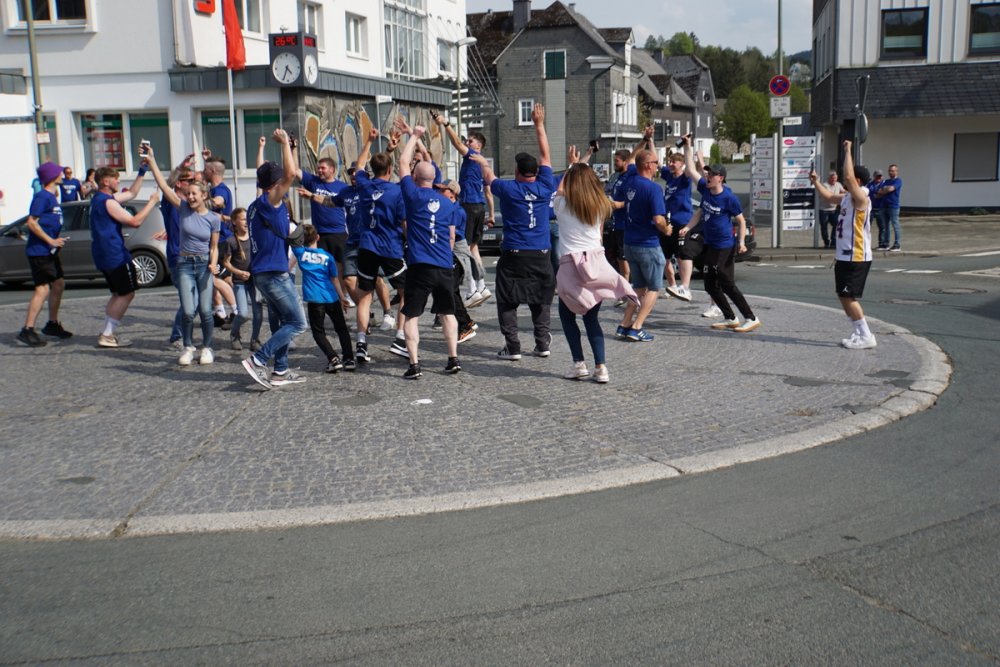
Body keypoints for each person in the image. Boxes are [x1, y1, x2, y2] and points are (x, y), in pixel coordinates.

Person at [469, 103, 555, 361]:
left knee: (507, 299)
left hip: (515, 253)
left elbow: (489, 176)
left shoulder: (508, 189)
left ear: (517, 172)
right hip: (541, 253)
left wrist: (481, 159)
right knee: (540, 299)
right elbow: (546, 155)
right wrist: (539, 125)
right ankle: (542, 343)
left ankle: (513, 346)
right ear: (536, 172)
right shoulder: (546, 186)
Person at [554, 149, 638, 383]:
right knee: (592, 319)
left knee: (567, 316)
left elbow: (560, 190)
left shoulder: (562, 204)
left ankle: (578, 364)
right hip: (595, 265)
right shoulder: (601, 206)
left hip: (571, 265)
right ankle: (601, 367)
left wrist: (572, 166)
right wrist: (578, 167)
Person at [241, 128, 308, 389]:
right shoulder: (271, 202)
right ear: (274, 185)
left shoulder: (256, 204)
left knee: (283, 322)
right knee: (298, 323)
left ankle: (280, 371)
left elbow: (274, 172)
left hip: (264, 272)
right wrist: (283, 144)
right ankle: (258, 360)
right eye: (281, 180)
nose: (286, 182)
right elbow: (290, 174)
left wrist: (288, 148)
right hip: (273, 274)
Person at [145, 145, 221, 365]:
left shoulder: (213, 219)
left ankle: (207, 348)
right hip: (184, 264)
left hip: (204, 265)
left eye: (194, 194)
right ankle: (188, 347)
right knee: (188, 311)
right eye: (188, 194)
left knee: (205, 311)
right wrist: (152, 160)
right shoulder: (182, 208)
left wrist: (214, 264)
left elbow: (214, 247)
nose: (190, 197)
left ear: (204, 195)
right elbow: (163, 185)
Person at [395, 126, 461, 378]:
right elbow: (452, 236)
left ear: (415, 177)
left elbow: (402, 162)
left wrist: (414, 136)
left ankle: (414, 365)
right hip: (444, 265)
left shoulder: (412, 195)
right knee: (448, 313)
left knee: (411, 315)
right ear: (434, 179)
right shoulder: (448, 203)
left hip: (420, 266)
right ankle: (453, 359)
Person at [810, 140, 877, 349]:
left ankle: (866, 336)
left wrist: (848, 150)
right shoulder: (847, 197)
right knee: (843, 295)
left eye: (851, 177)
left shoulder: (862, 199)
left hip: (856, 255)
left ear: (858, 180)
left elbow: (848, 176)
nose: (846, 178)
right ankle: (858, 332)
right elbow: (829, 196)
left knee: (849, 296)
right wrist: (816, 182)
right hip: (844, 255)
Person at [680, 163, 760, 333]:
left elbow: (741, 221)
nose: (708, 176)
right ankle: (730, 317)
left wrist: (741, 242)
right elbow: (699, 213)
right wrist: (687, 227)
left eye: (712, 174)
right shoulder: (706, 191)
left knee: (727, 284)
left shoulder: (729, 198)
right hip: (710, 245)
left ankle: (751, 318)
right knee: (709, 285)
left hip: (725, 246)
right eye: (707, 173)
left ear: (721, 178)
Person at [351, 128, 408, 363]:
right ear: (391, 170)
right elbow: (404, 222)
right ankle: (400, 337)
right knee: (406, 292)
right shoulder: (397, 191)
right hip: (390, 247)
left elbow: (359, 167)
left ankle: (361, 343)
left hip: (367, 247)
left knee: (364, 297)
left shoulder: (364, 186)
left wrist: (368, 141)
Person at [89, 165, 160, 347]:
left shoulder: (98, 199)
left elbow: (132, 193)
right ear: (106, 181)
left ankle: (107, 332)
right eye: (116, 178)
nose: (119, 181)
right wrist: (152, 202)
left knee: (118, 293)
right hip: (115, 254)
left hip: (103, 254)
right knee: (127, 293)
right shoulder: (109, 203)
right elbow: (134, 221)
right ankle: (107, 335)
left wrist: (141, 172)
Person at [434, 111, 493, 306]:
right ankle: (482, 285)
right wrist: (491, 213)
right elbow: (488, 192)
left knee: (463, 248)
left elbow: (457, 144)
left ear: (478, 146)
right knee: (474, 247)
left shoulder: (473, 156)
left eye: (471, 141)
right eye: (468, 140)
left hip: (468, 205)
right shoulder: (483, 164)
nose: (467, 143)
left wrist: (446, 124)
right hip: (479, 207)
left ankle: (472, 289)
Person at [616, 145, 671, 342]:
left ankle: (624, 324)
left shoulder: (630, 180)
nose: (658, 165)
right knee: (654, 288)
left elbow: (631, 160)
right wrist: (667, 229)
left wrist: (646, 140)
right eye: (656, 162)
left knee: (638, 286)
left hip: (629, 242)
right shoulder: (653, 188)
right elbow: (658, 219)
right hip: (648, 244)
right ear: (648, 165)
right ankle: (637, 327)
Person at [18, 161, 72, 347]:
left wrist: (56, 240)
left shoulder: (52, 196)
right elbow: (31, 222)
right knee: (42, 289)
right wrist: (50, 240)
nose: (62, 174)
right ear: (52, 176)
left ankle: (52, 324)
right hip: (39, 251)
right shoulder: (42, 197)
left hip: (49, 251)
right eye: (59, 172)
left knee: (58, 284)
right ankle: (27, 329)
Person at [292, 224, 356, 373]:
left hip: (314, 300)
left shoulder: (300, 253)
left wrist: (299, 232)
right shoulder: (328, 257)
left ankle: (333, 359)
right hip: (331, 297)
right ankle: (349, 359)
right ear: (318, 238)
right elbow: (334, 279)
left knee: (318, 333)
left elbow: (291, 239)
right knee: (341, 329)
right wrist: (342, 297)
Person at [293, 155, 351, 305]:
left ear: (332, 169)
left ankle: (343, 296)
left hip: (339, 233)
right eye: (318, 168)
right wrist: (293, 149)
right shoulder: (314, 182)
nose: (319, 170)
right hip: (319, 234)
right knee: (321, 266)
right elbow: (295, 171)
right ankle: (326, 296)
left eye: (322, 168)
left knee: (340, 267)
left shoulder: (342, 187)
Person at [657, 138, 696, 301]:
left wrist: (687, 146)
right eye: (670, 161)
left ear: (681, 164)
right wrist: (649, 140)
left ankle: (685, 287)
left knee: (682, 255)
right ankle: (672, 286)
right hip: (668, 222)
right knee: (664, 256)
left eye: (674, 162)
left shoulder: (685, 178)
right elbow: (657, 162)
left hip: (683, 222)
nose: (671, 164)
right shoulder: (669, 176)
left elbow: (690, 165)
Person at [222, 208, 260, 351]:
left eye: (247, 219)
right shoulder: (230, 241)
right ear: (234, 222)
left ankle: (255, 340)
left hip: (255, 281)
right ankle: (234, 334)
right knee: (243, 313)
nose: (246, 222)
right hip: (239, 282)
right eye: (243, 219)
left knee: (258, 313)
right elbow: (226, 263)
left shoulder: (254, 237)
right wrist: (238, 272)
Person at [876, 163, 902, 251]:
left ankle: (897, 244)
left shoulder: (898, 181)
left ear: (897, 171)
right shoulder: (886, 181)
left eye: (893, 171)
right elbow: (879, 191)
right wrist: (886, 189)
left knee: (895, 225)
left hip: (893, 206)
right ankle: (885, 244)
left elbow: (891, 189)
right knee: (885, 226)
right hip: (884, 206)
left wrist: (885, 190)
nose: (891, 172)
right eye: (890, 171)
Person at [818, 170, 845, 248]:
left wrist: (848, 193)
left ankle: (834, 241)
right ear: (829, 178)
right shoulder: (825, 185)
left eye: (835, 179)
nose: (834, 180)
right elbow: (829, 196)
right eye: (832, 179)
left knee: (837, 224)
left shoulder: (838, 184)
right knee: (824, 227)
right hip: (824, 210)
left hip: (834, 209)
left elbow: (843, 191)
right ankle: (826, 242)